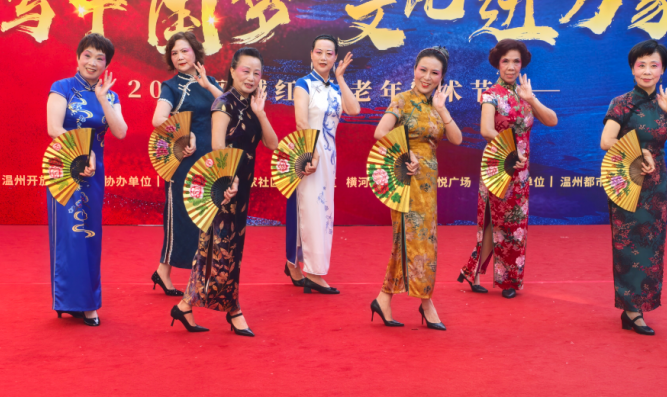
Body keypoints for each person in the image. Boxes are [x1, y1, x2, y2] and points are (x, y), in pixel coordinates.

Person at [170, 47, 278, 336]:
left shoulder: (253, 104)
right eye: (245, 71)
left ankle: (185, 305)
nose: (251, 77)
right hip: (224, 186)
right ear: (232, 71)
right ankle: (234, 309)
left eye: (257, 73)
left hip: (242, 187)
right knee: (222, 249)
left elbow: (272, 144)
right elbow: (218, 147)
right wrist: (229, 181)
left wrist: (261, 113)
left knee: (219, 249)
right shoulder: (223, 103)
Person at [600, 39, 667, 335]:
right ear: (632, 69)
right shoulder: (621, 103)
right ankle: (632, 311)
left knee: (652, 245)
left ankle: (639, 307)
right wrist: (639, 152)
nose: (647, 71)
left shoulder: (666, 105)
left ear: (662, 71)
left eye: (653, 65)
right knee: (627, 245)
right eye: (641, 65)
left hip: (656, 184)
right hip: (627, 181)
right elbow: (606, 141)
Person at [370, 46, 463, 330]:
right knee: (414, 240)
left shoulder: (437, 105)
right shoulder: (402, 100)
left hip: (428, 182)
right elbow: (380, 132)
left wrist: (442, 109)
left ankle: (384, 299)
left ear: (441, 77)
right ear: (414, 70)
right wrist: (405, 152)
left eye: (434, 73)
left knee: (420, 240)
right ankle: (426, 302)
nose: (427, 77)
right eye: (422, 70)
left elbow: (457, 139)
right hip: (405, 179)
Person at [458, 39, 558, 299]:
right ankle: (488, 275)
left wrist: (531, 99)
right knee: (495, 221)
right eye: (506, 61)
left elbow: (552, 120)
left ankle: (489, 275)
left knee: (516, 225)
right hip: (499, 165)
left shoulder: (525, 94)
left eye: (516, 61)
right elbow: (486, 130)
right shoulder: (491, 94)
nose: (511, 67)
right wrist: (511, 151)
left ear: (522, 64)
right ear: (497, 64)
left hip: (521, 171)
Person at [45, 33, 127, 327]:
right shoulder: (62, 87)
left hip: (94, 172)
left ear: (107, 64)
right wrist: (83, 150)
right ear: (78, 57)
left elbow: (120, 132)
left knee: (90, 235)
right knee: (68, 236)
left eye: (99, 58)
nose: (92, 62)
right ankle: (68, 301)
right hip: (64, 168)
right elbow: (53, 128)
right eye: (87, 55)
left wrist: (103, 99)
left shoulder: (110, 95)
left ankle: (88, 302)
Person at [283, 35, 361, 293]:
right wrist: (312, 154)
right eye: (319, 52)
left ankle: (293, 264)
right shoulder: (303, 84)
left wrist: (340, 78)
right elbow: (301, 122)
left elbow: (354, 110)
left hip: (329, 157)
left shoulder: (336, 87)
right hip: (308, 155)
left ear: (335, 57)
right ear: (311, 54)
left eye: (329, 53)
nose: (324, 57)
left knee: (323, 212)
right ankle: (314, 274)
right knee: (310, 210)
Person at [150, 32, 223, 296]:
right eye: (174, 53)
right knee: (181, 218)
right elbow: (158, 119)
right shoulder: (171, 86)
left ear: (196, 52)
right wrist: (185, 132)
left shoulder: (210, 82)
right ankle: (169, 271)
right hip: (184, 161)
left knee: (207, 219)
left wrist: (208, 85)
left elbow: (229, 107)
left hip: (210, 162)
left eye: (184, 51)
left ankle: (182, 274)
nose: (180, 57)